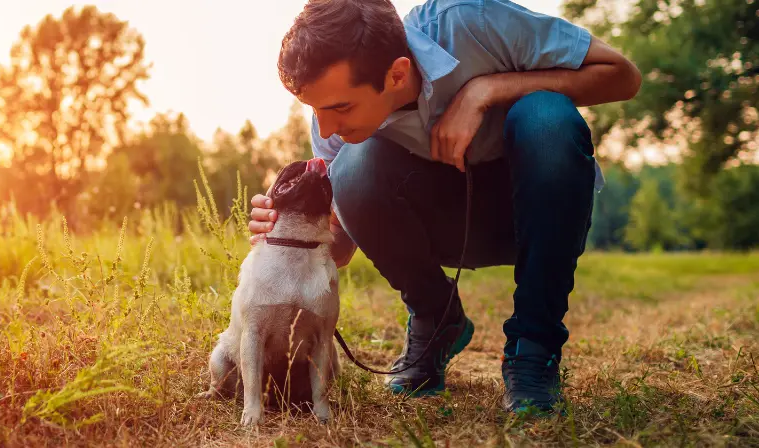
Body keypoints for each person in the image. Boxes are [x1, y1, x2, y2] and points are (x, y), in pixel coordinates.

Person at [248, 0, 642, 414]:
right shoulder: (332, 126)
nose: (325, 127)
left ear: (397, 74)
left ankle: (534, 348)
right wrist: (290, 230)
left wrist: (486, 90)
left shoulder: (472, 21)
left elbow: (622, 76)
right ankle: (437, 322)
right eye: (315, 109)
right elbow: (343, 247)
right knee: (351, 165)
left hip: (539, 214)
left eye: (340, 108)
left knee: (546, 115)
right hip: (446, 225)